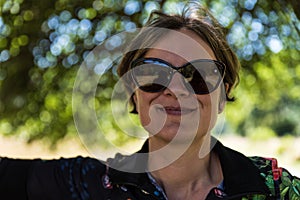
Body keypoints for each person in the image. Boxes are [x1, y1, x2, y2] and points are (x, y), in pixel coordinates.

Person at [0, 4, 299, 200]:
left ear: (223, 94)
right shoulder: (88, 187)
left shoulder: (273, 188)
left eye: (197, 75)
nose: (176, 89)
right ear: (133, 93)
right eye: (155, 74)